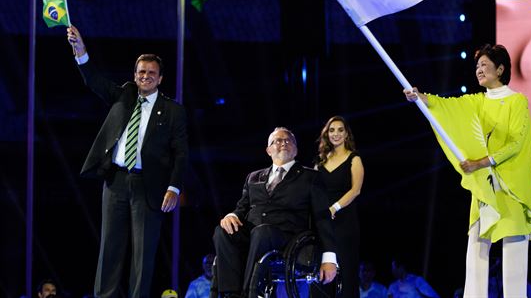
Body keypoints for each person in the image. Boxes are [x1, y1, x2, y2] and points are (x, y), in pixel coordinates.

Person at [404, 43, 531, 298]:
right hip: (486, 185)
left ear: (501, 69)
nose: (479, 70)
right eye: (477, 66)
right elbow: (448, 107)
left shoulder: (517, 101)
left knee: (514, 253)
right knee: (476, 247)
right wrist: (421, 98)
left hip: (514, 186)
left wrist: (480, 163)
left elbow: (516, 143)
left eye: (484, 65)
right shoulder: (477, 102)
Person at [66, 25, 189, 298]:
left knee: (143, 253)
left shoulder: (173, 111)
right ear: (135, 75)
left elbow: (182, 153)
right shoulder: (124, 94)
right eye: (141, 72)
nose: (145, 76)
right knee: (110, 247)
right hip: (116, 181)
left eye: (151, 73)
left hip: (150, 186)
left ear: (160, 79)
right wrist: (81, 51)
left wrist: (174, 187)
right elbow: (94, 81)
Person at [213, 127, 338, 298]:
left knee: (262, 232)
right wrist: (231, 216)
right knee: (222, 231)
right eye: (277, 141)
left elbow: (323, 218)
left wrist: (329, 259)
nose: (283, 143)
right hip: (254, 233)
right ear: (268, 150)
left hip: (287, 237)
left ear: (296, 149)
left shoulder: (310, 177)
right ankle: (230, 293)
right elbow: (242, 208)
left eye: (288, 140)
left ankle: (249, 293)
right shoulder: (253, 177)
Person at [315, 116, 364, 298]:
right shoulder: (320, 163)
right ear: (327, 134)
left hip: (344, 222)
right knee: (321, 275)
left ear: (346, 134)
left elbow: (356, 190)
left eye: (340, 130)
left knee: (346, 273)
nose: (336, 134)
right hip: (323, 223)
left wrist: (335, 208)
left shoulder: (354, 158)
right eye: (332, 130)